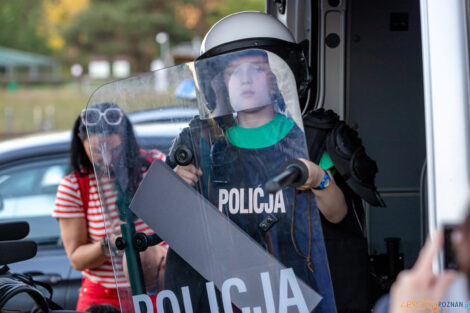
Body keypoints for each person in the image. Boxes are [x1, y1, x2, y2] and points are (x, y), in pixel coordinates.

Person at [165, 11, 347, 313]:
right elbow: (168, 225)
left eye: (258, 69)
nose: (245, 79)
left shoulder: (307, 139)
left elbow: (338, 215)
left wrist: (319, 180)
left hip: (293, 294)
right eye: (233, 72)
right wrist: (175, 183)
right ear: (219, 83)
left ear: (277, 78)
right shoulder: (200, 143)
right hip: (221, 298)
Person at [53, 102, 167, 311]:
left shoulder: (154, 167)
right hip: (103, 298)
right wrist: (107, 245)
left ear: (126, 139)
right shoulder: (74, 185)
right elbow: (76, 259)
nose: (106, 158)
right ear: (81, 140)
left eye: (114, 149)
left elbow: (179, 225)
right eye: (96, 150)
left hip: (156, 291)